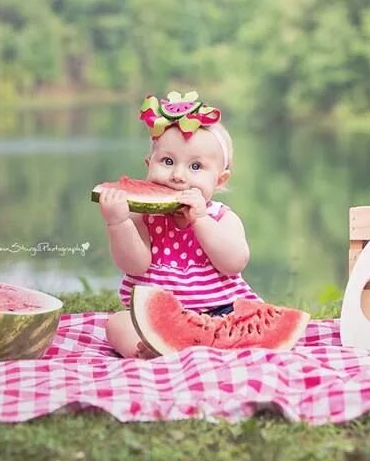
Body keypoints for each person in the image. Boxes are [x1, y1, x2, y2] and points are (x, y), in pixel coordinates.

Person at [100, 91, 261, 357]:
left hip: (221, 312)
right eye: (167, 161)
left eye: (196, 166)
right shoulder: (144, 217)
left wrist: (201, 220)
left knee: (248, 321)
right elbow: (134, 264)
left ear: (220, 180)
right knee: (117, 325)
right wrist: (118, 223)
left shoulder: (222, 217)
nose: (177, 175)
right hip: (155, 315)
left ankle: (203, 343)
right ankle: (153, 349)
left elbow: (234, 263)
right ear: (148, 164)